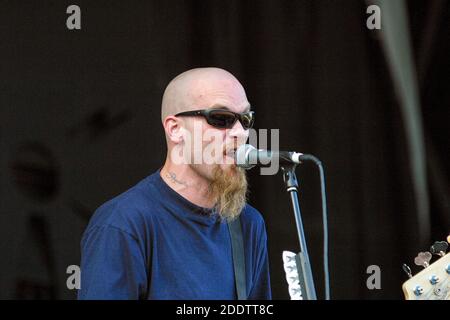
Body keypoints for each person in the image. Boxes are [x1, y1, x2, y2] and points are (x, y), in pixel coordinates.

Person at [78, 67, 272, 299]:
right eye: (221, 119)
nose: (240, 133)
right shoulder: (123, 223)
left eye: (246, 119)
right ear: (175, 129)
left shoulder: (248, 224)